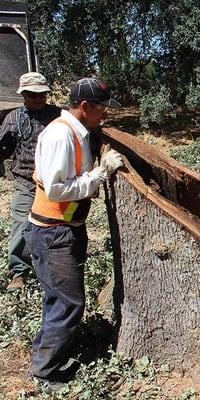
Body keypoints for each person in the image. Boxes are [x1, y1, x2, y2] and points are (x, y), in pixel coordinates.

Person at [23, 77, 124, 392]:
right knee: (69, 302)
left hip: (65, 230)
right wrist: (99, 174)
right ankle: (44, 372)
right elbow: (55, 190)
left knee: (58, 298)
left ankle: (46, 352)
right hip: (53, 232)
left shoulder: (78, 133)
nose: (105, 114)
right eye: (102, 108)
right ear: (85, 107)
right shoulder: (60, 136)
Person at [0, 72, 61, 291]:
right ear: (23, 95)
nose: (37, 98)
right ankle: (18, 272)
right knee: (22, 225)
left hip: (55, 183)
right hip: (25, 181)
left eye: (42, 94)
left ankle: (55, 269)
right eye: (32, 94)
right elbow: (2, 147)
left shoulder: (59, 116)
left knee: (57, 226)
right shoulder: (13, 118)